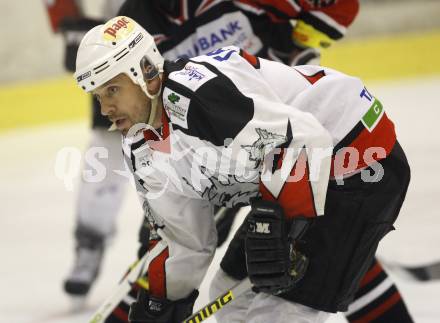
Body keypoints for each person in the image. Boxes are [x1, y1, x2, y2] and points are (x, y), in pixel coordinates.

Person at [74, 16, 412, 323]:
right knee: (227, 297)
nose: (104, 108)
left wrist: (287, 236)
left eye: (112, 90)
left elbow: (303, 139)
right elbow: (184, 240)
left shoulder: (196, 96)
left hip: (357, 156)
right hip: (302, 181)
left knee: (280, 313)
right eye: (97, 95)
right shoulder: (141, 146)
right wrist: (163, 304)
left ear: (146, 71)